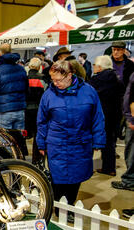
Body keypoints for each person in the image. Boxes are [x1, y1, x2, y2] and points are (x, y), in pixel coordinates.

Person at [37, 60, 106, 216]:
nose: (55, 83)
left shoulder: (89, 92)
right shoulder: (48, 95)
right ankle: (59, 209)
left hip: (81, 143)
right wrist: (41, 143)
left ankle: (69, 206)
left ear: (70, 75)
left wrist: (99, 141)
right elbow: (42, 121)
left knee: (76, 178)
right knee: (58, 179)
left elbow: (97, 117)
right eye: (52, 80)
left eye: (58, 80)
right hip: (57, 144)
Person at [89, 55, 125, 177]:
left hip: (98, 115)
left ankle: (87, 168)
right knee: (110, 142)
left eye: (94, 65)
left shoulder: (95, 80)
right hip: (114, 115)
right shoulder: (117, 79)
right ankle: (109, 168)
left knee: (91, 141)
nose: (93, 67)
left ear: (99, 67)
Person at [0, 43, 27, 130]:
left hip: (4, 111)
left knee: (6, 142)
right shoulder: (21, 69)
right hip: (20, 110)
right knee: (19, 140)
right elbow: (27, 89)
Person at [111, 72, 134, 195]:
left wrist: (131, 119)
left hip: (132, 120)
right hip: (129, 118)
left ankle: (129, 180)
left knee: (131, 152)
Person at [25, 57, 46, 164]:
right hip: (39, 110)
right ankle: (36, 159)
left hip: (26, 111)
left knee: (24, 135)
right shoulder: (43, 79)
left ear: (29, 67)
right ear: (39, 67)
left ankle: (21, 159)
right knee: (38, 136)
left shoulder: (24, 78)